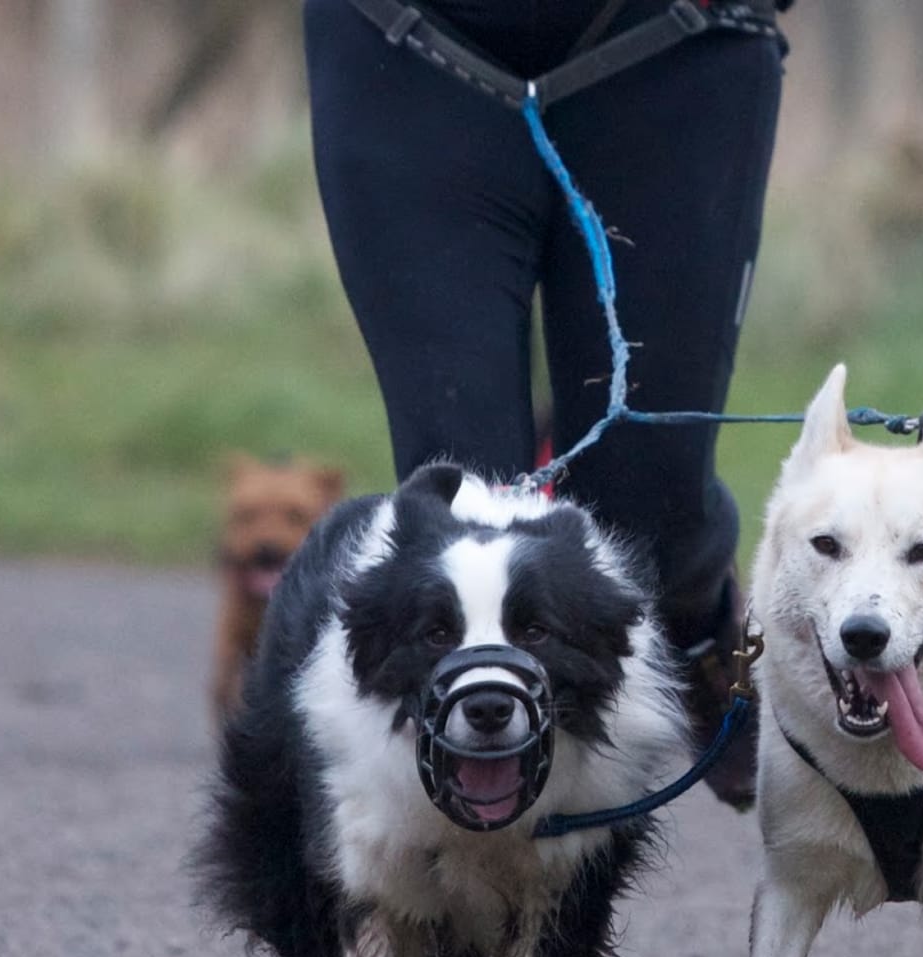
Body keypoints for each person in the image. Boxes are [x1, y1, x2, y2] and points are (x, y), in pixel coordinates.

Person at [302, 0, 788, 808]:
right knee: (464, 503)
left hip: (672, 45)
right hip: (409, 48)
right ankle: (468, 864)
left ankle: (699, 623)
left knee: (645, 523)